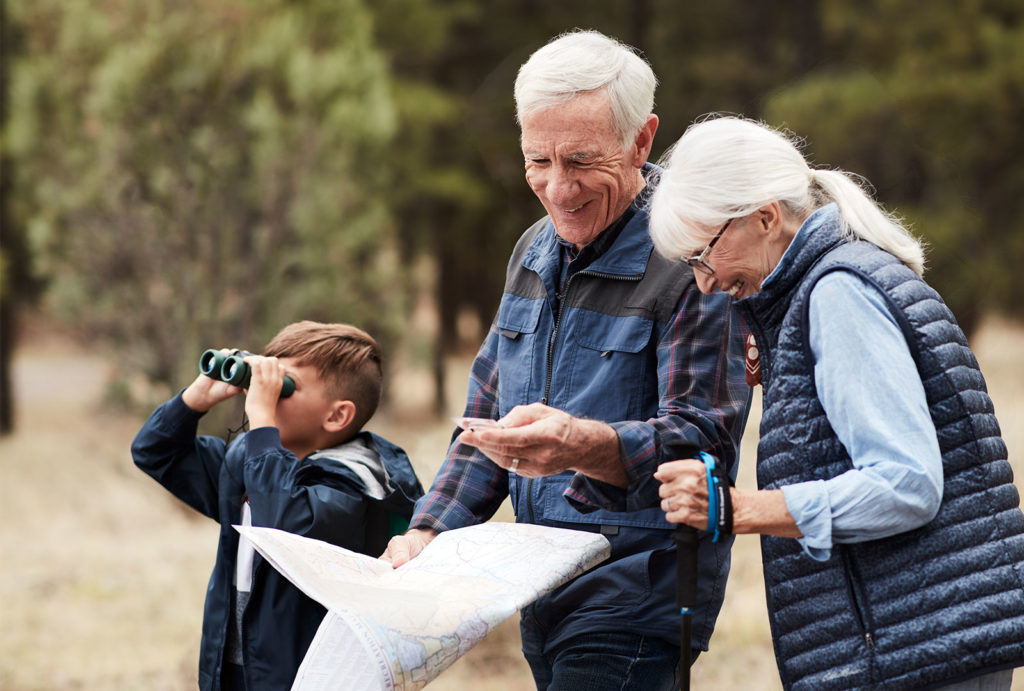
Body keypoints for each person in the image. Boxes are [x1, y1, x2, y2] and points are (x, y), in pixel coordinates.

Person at [381, 31, 750, 690]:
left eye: (580, 160)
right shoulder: (531, 250)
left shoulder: (691, 257)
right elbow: (484, 422)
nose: (557, 188)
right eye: (537, 160)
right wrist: (429, 530)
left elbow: (704, 441)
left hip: (638, 596)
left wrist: (584, 445)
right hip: (540, 592)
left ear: (641, 139)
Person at [648, 115, 1024, 690]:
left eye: (703, 256)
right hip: (921, 644)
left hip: (917, 655)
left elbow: (906, 483)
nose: (703, 283)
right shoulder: (825, 286)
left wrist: (738, 509)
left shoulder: (837, 294)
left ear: (765, 217)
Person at [131, 321, 424, 690]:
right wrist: (195, 399)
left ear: (336, 416)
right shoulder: (247, 463)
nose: (263, 392)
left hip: (303, 676)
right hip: (232, 669)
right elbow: (154, 452)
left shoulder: (351, 484)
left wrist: (263, 422)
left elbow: (283, 524)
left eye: (285, 386)